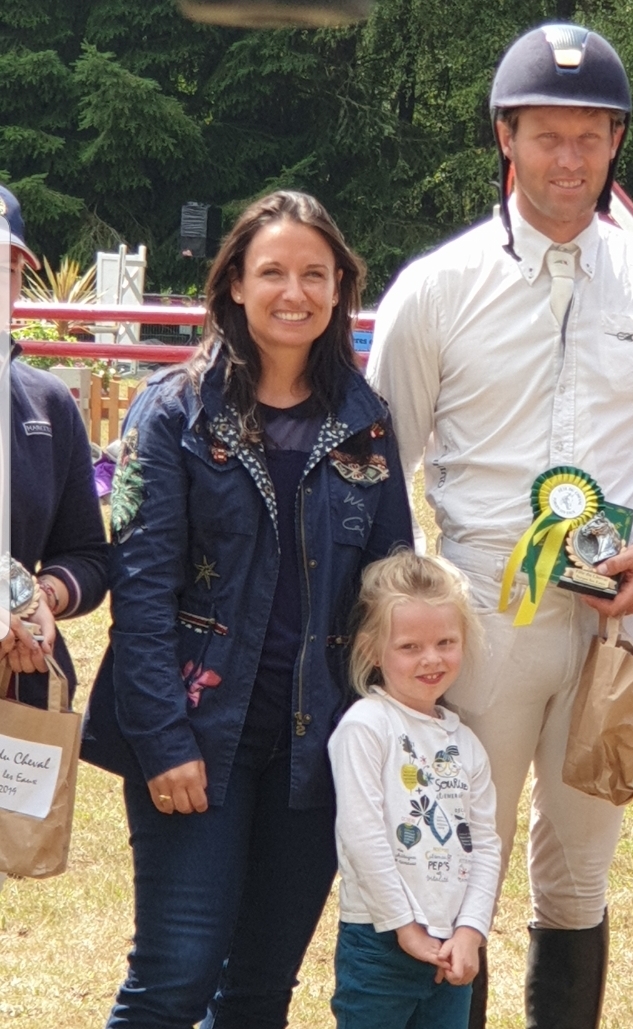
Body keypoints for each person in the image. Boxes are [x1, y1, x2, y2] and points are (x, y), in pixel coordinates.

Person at [368, 23, 633, 1028]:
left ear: (616, 141)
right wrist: (410, 615)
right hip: (480, 614)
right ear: (505, 136)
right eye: (546, 136)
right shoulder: (437, 288)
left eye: (589, 137)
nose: (567, 161)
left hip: (615, 619)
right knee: (458, 864)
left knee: (580, 868)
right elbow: (373, 467)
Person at [80, 190, 414, 1029]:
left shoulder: (366, 424)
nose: (293, 291)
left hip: (315, 750)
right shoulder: (173, 413)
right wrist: (162, 743)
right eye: (272, 271)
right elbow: (143, 592)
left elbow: (388, 586)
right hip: (197, 739)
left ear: (340, 288)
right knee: (174, 979)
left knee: (261, 990)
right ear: (233, 283)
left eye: (314, 273)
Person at [327, 549, 500, 1029]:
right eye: (409, 647)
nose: (431, 659)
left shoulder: (466, 744)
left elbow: (485, 844)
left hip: (450, 952)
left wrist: (471, 931)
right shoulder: (366, 726)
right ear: (371, 651)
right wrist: (404, 925)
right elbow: (362, 836)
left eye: (446, 641)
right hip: (380, 943)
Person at [1, 182, 108, 705]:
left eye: (5, 268)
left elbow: (87, 555)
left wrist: (39, 600)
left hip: (20, 686)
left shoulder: (48, 405)